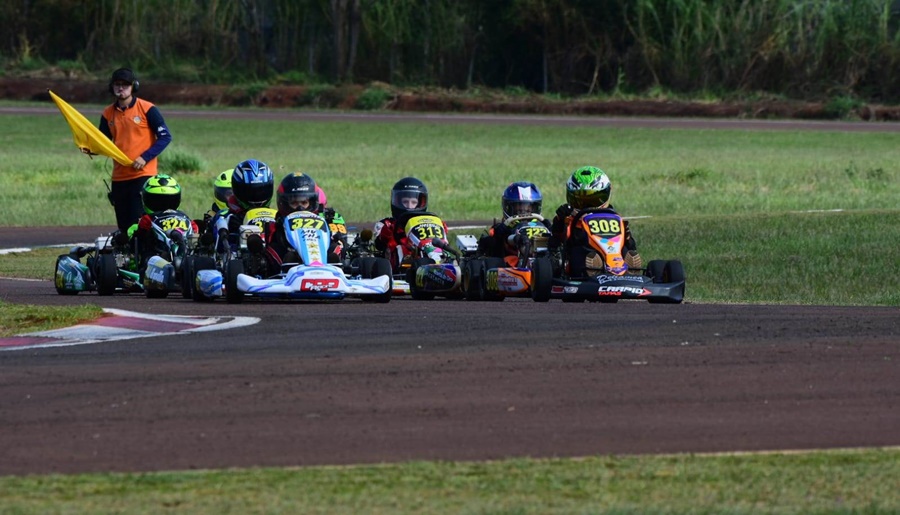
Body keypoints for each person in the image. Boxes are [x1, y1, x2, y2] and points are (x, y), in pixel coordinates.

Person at [99, 68, 172, 233]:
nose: (121, 89)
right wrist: (90, 149)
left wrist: (145, 157)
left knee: (140, 223)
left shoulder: (147, 108)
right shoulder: (107, 113)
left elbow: (165, 137)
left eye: (125, 85)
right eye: (117, 85)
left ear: (133, 87)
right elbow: (102, 142)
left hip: (143, 175)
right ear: (112, 87)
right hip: (119, 177)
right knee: (124, 226)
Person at [549, 165, 642, 276]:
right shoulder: (570, 219)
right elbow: (555, 240)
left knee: (624, 250)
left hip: (615, 258)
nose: (588, 207)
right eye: (581, 201)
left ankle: (629, 270)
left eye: (593, 200)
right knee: (581, 252)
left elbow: (632, 246)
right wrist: (560, 220)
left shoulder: (614, 217)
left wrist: (626, 236)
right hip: (580, 262)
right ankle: (593, 270)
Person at [267, 172, 345, 265]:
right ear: (284, 203)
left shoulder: (321, 219)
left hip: (322, 254)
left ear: (312, 202)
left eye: (304, 203)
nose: (300, 208)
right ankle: (288, 265)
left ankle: (332, 264)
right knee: (274, 248)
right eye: (294, 203)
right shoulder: (278, 222)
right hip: (287, 255)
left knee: (336, 247)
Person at [126, 174, 197, 272]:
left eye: (169, 200)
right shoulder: (144, 221)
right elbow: (133, 244)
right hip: (156, 255)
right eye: (157, 201)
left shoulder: (183, 217)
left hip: (185, 253)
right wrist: (143, 231)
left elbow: (195, 232)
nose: (164, 205)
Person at [373, 177, 447, 271]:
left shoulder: (432, 221)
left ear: (421, 203)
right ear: (397, 201)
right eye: (405, 202)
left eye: (413, 202)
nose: (409, 206)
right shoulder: (388, 224)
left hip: (428, 256)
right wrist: (388, 231)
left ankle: (443, 262)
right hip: (398, 266)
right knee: (401, 248)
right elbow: (379, 244)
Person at [477, 181, 550, 262]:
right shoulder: (505, 227)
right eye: (519, 210)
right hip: (512, 261)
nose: (524, 213)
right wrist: (500, 233)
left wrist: (551, 227)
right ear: (508, 207)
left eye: (528, 210)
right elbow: (491, 238)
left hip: (544, 259)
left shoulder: (543, 224)